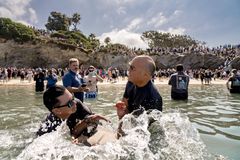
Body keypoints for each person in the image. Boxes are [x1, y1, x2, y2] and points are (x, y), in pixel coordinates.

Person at [36, 85, 116, 146]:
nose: (74, 102)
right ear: (57, 110)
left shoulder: (76, 103)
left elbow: (93, 120)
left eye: (73, 97)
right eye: (70, 103)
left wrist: (84, 135)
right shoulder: (49, 129)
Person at [115, 55, 163, 120]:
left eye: (132, 68)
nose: (128, 70)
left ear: (145, 75)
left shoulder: (154, 99)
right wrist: (121, 114)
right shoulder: (130, 83)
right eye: (129, 67)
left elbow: (147, 128)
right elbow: (125, 107)